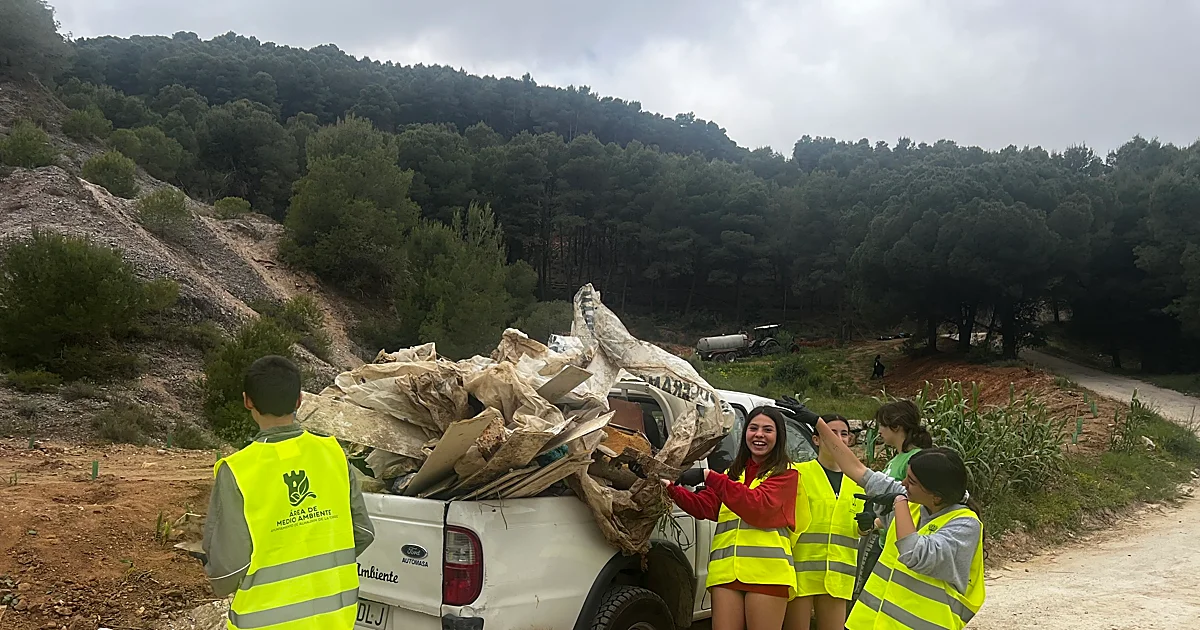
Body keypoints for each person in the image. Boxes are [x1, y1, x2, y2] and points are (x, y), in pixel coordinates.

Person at [202, 355, 376, 629]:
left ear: (248, 401)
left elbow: (228, 568)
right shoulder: (333, 455)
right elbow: (363, 533)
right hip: (334, 621)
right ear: (299, 400)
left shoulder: (237, 471)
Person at [814, 418, 985, 629]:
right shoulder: (914, 504)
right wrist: (818, 423)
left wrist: (899, 501)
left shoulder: (964, 525)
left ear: (937, 496)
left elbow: (914, 554)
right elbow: (856, 469)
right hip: (871, 623)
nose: (903, 484)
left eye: (911, 481)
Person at [663, 406, 804, 630]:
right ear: (745, 433)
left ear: (779, 437)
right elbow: (706, 507)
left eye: (768, 430)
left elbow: (759, 507)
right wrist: (670, 488)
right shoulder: (733, 474)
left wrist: (709, 476)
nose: (759, 434)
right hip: (726, 573)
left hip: (766, 574)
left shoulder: (787, 474)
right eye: (753, 428)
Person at [785, 415, 864, 630]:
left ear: (850, 440)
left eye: (844, 433)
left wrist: (867, 526)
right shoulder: (797, 473)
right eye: (831, 432)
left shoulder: (860, 482)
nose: (838, 438)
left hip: (838, 576)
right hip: (800, 571)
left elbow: (859, 528)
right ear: (817, 439)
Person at [876, 400, 933, 482]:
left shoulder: (916, 458)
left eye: (882, 425)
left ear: (896, 426)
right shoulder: (894, 460)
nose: (879, 431)